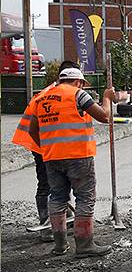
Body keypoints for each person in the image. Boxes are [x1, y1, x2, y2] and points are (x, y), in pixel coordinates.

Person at [28, 68, 115, 258]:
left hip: (51, 157)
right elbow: (104, 116)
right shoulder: (78, 94)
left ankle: (60, 245)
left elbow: (32, 130)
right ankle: (84, 245)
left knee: (58, 197)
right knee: (85, 197)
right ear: (79, 82)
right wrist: (107, 98)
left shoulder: (41, 98)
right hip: (78, 155)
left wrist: (46, 148)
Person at [12, 60, 79, 241]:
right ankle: (46, 225)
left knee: (60, 184)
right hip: (41, 144)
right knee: (46, 184)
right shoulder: (48, 95)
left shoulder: (61, 92)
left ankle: (62, 221)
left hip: (51, 144)